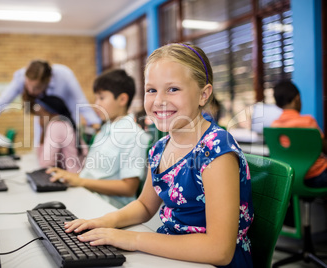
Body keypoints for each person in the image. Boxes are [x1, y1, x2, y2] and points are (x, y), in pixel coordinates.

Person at [61, 44, 254, 267]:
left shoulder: (216, 149)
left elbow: (219, 250)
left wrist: (133, 239)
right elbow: (144, 206)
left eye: (173, 89)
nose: (159, 100)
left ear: (203, 94)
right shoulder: (161, 147)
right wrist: (104, 222)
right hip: (170, 254)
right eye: (151, 90)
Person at [48, 69, 151, 208]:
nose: (96, 104)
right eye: (96, 98)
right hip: (88, 196)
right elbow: (92, 176)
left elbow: (128, 188)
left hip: (108, 207)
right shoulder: (104, 129)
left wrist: (81, 181)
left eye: (101, 98)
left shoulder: (134, 136)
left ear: (122, 99)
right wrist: (68, 176)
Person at [0, 60, 101, 144]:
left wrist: (98, 128)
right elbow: (1, 101)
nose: (31, 91)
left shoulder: (64, 75)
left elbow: (81, 102)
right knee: (44, 153)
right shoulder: (21, 77)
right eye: (29, 86)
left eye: (37, 88)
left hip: (68, 122)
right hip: (44, 126)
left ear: (48, 82)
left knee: (67, 152)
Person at [271, 80, 327, 187]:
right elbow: (324, 148)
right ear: (297, 99)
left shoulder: (274, 126)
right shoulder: (308, 121)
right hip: (316, 176)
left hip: (290, 177)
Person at [34, 95, 86, 173]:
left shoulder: (57, 126)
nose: (39, 121)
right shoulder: (66, 124)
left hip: (73, 178)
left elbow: (45, 163)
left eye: (41, 116)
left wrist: (43, 130)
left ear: (55, 115)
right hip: (77, 173)